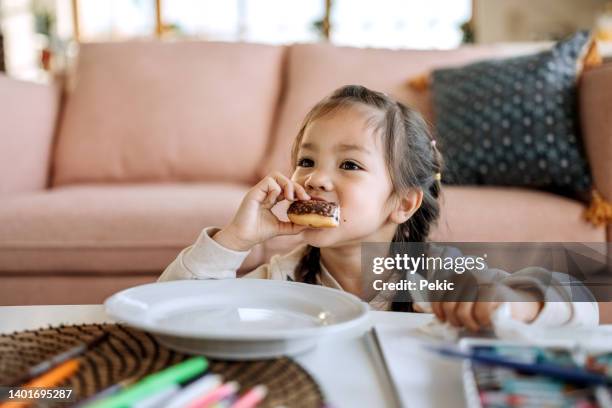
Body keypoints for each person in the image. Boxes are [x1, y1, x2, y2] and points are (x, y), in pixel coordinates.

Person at [159, 85, 598, 331]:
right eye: (306, 161)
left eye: (349, 164)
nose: (313, 179)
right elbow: (169, 314)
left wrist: (516, 305)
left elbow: (583, 301)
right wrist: (235, 240)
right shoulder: (281, 276)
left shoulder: (441, 275)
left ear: (403, 203)